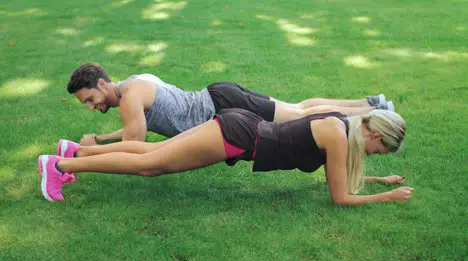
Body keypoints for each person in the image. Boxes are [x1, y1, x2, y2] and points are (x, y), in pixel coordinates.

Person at [38, 109, 412, 205]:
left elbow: (340, 177)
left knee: (153, 152)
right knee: (149, 165)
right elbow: (339, 196)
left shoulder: (340, 127)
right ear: (375, 134)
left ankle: (77, 151)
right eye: (380, 150)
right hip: (237, 137)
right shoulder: (339, 138)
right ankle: (59, 166)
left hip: (241, 129)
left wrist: (379, 181)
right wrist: (387, 196)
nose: (375, 155)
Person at [67, 63, 394, 145]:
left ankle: (373, 113)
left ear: (101, 84)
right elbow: (131, 129)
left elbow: (134, 141)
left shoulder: (129, 96)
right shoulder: (135, 84)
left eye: (90, 99)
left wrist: (90, 148)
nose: (92, 106)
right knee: (298, 108)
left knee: (299, 115)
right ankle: (369, 103)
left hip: (223, 104)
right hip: (221, 98)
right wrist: (101, 139)